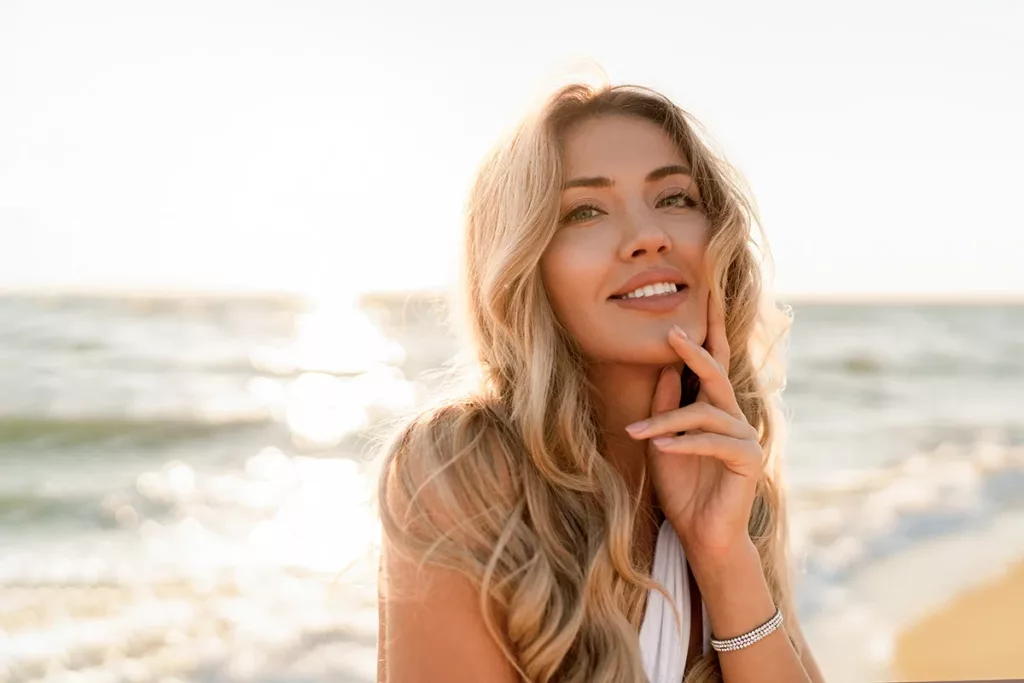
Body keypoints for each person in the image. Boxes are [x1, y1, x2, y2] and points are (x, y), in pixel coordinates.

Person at [375, 77, 827, 683]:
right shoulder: (463, 468)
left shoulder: (737, 482)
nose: (649, 236)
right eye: (585, 210)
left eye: (674, 198)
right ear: (524, 265)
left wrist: (723, 557)